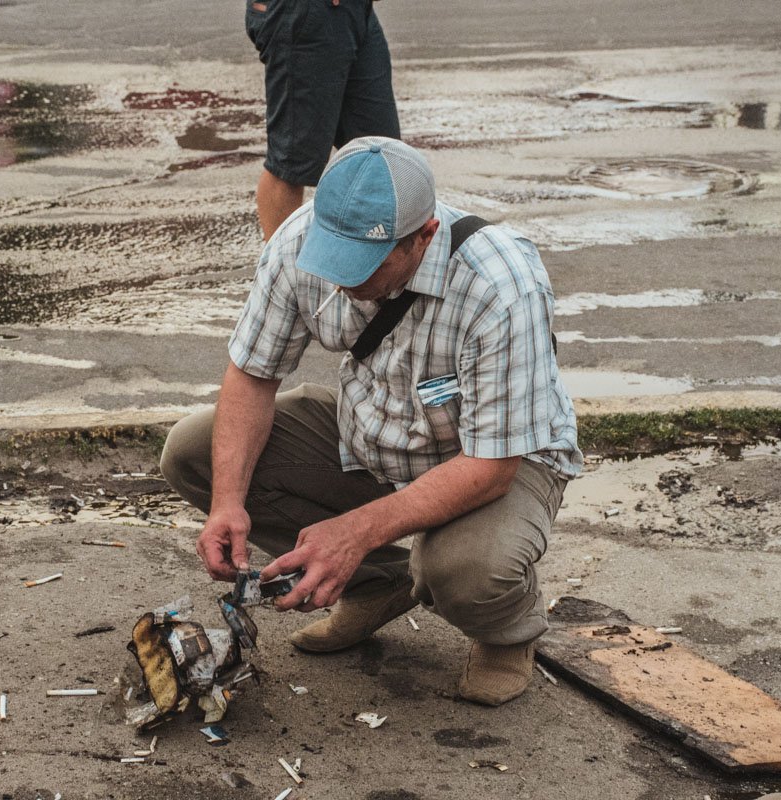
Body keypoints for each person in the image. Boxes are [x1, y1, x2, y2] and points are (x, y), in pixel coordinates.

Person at [161, 137, 583, 706]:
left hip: (492, 454)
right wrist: (227, 503)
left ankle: (506, 632)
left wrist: (354, 532)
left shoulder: (499, 285)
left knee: (463, 570)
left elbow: (491, 467)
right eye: (333, 258)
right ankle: (380, 583)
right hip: (373, 430)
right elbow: (252, 374)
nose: (341, 280)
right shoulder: (299, 239)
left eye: (363, 265)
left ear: (424, 236)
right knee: (193, 452)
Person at [245, 0, 400, 240]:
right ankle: (279, 272)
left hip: (355, 10)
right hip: (303, 10)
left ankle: (361, 267)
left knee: (380, 155)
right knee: (291, 163)